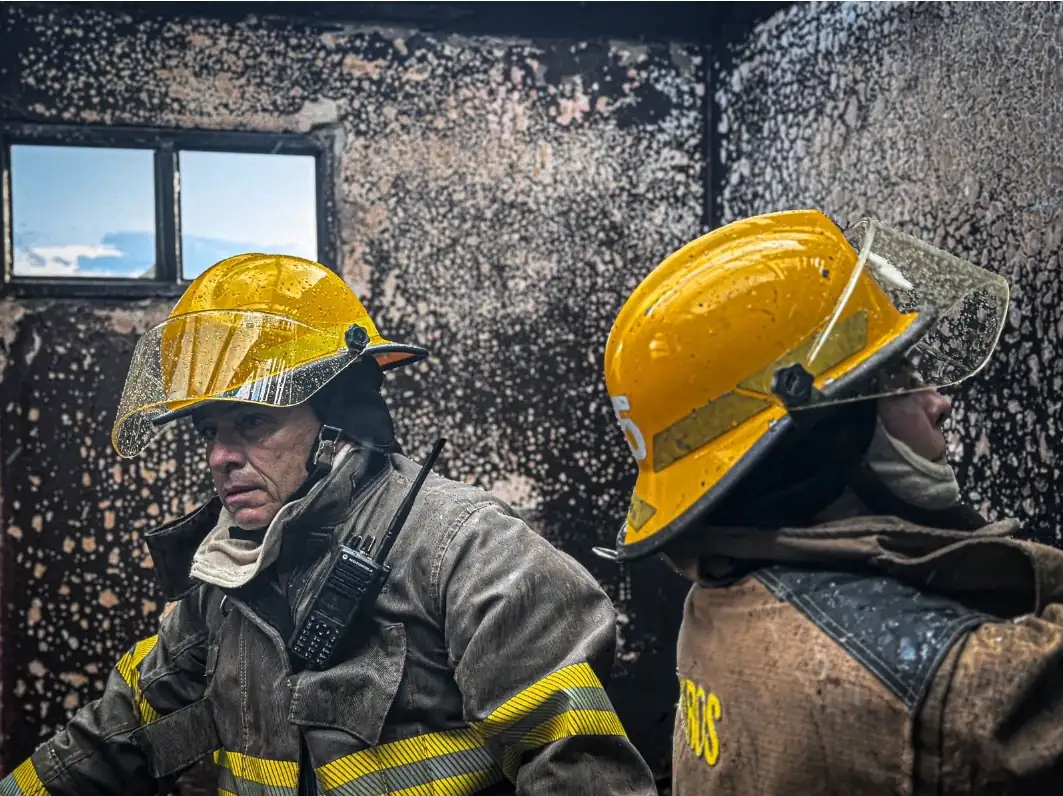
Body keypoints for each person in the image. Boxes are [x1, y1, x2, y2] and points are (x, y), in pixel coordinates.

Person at [1, 253, 656, 796]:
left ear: (338, 416)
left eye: (251, 422)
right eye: (210, 430)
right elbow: (115, 737)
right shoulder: (221, 579)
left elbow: (579, 773)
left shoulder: (469, 551)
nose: (219, 456)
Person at [595, 209, 1063, 794]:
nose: (938, 403)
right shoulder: (948, 680)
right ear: (824, 436)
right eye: (899, 378)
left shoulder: (722, 591)